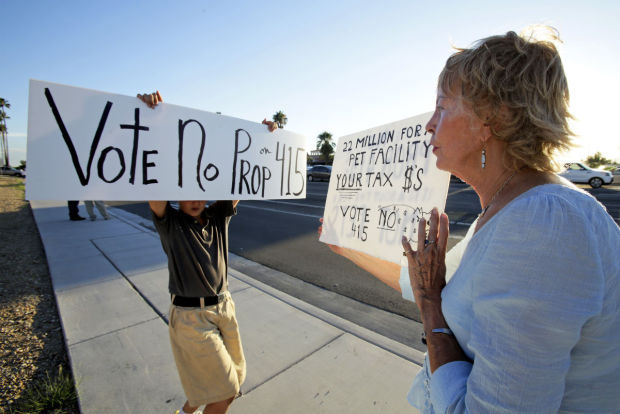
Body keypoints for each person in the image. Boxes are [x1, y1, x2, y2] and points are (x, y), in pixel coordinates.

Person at [320, 28, 620, 413]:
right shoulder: (509, 210)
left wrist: (431, 309)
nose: (429, 124)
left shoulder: (542, 225)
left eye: (442, 107)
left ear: (492, 118)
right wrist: (342, 243)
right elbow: (426, 284)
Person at [138, 91, 277, 414]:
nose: (196, 197)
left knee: (232, 382)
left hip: (224, 308)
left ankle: (186, 411)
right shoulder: (170, 222)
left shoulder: (217, 217)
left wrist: (262, 139)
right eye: (187, 191)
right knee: (224, 390)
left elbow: (243, 177)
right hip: (190, 317)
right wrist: (153, 119)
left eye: (201, 189)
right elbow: (152, 186)